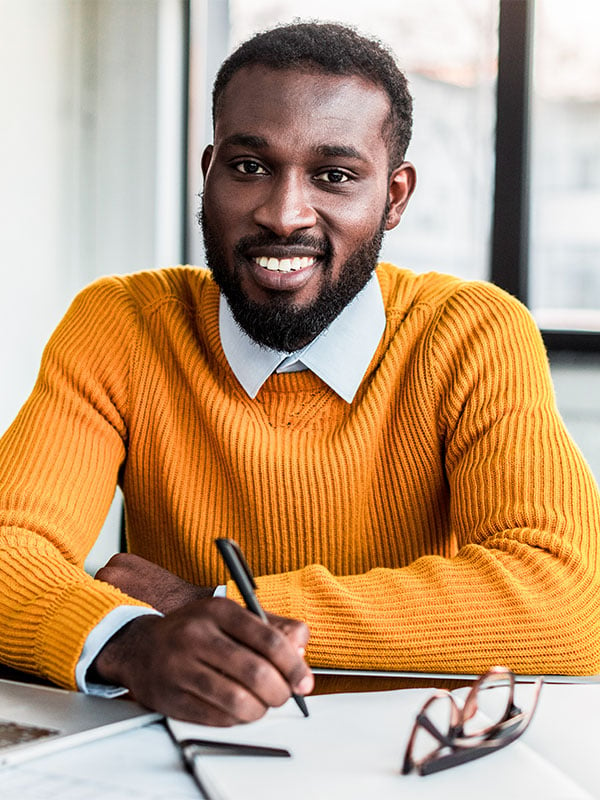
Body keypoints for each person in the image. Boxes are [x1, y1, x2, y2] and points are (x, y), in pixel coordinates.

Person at [1, 21, 599, 727]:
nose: (283, 215)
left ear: (396, 197)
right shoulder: (122, 323)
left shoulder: (470, 333)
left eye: (334, 176)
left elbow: (566, 600)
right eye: (249, 166)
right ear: (209, 173)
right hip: (179, 759)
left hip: (408, 765)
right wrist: (129, 640)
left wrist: (208, 606)